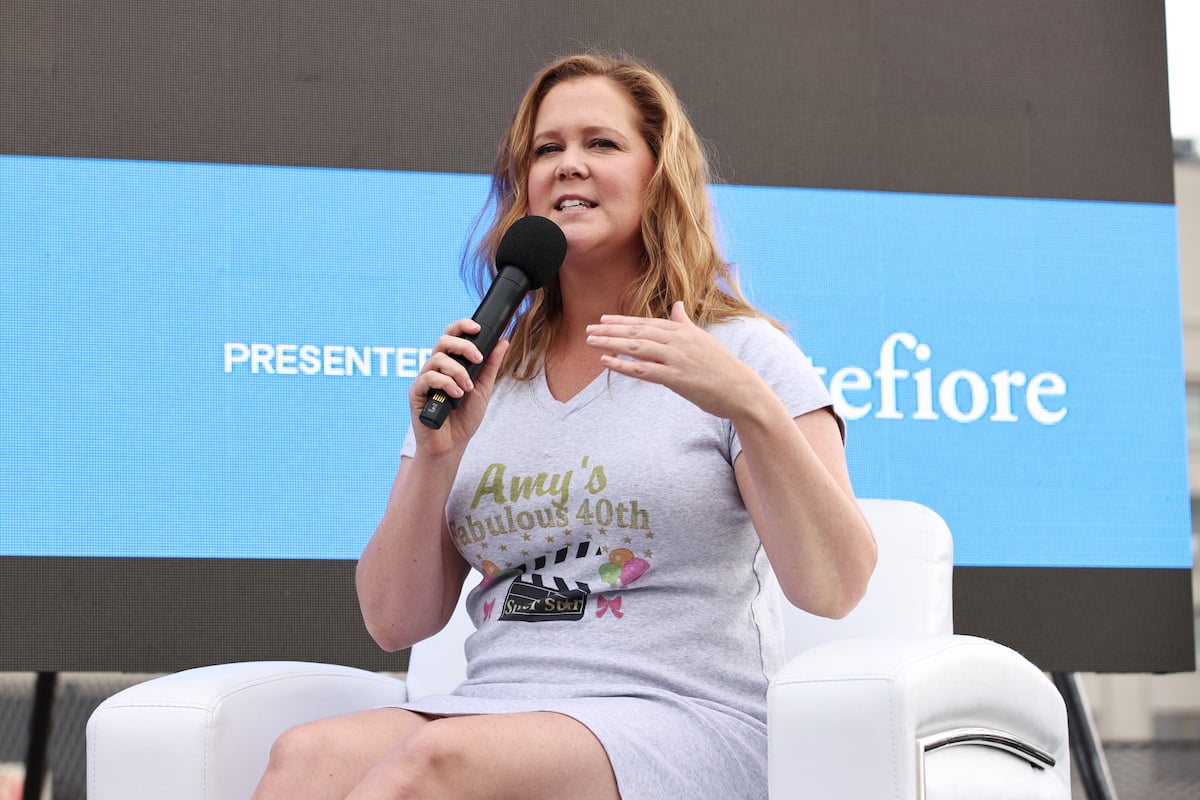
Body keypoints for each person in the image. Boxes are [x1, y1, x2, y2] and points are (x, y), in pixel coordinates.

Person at [253, 52, 877, 800]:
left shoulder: (740, 354)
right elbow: (395, 620)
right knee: (306, 756)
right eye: (547, 149)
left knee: (438, 766)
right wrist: (434, 456)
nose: (568, 166)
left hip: (682, 717)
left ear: (658, 175)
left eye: (601, 144)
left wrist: (748, 405)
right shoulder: (488, 369)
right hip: (495, 705)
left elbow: (836, 587)